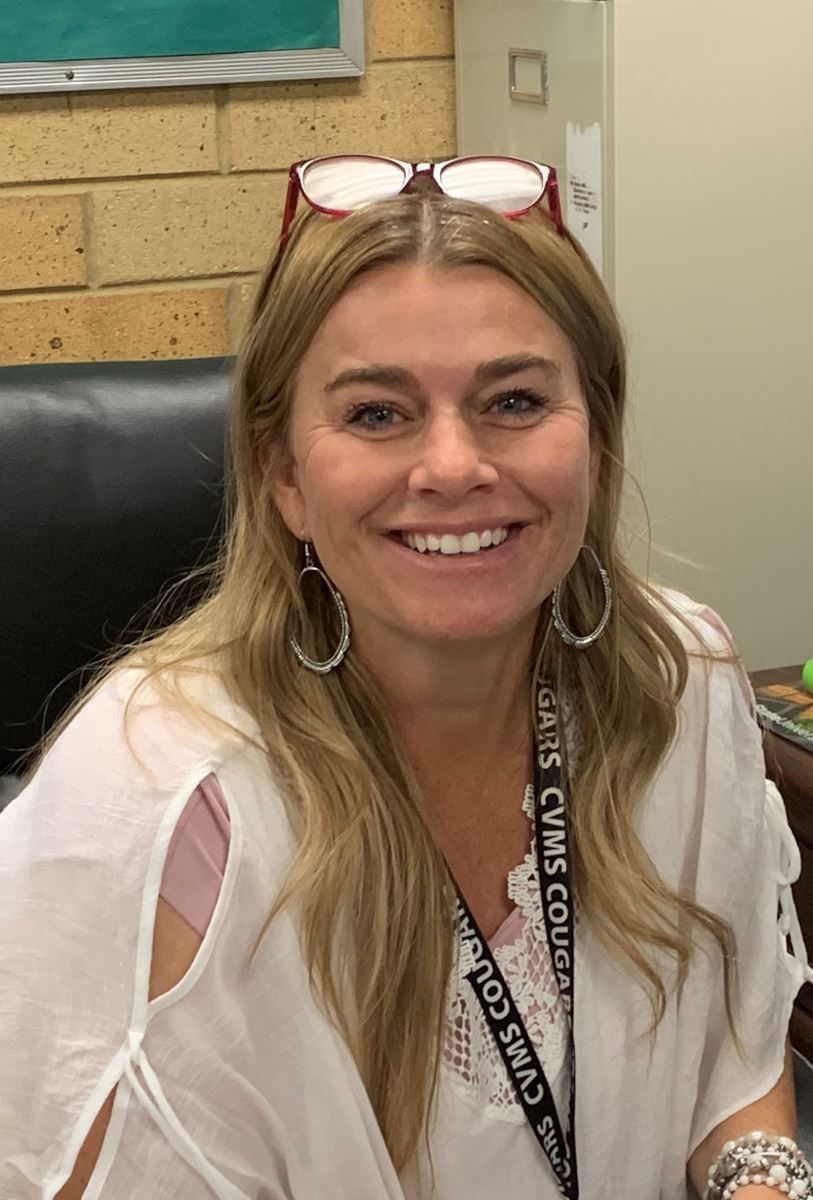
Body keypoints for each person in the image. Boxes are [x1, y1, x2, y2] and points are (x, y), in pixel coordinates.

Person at [0, 154, 810, 1200]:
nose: (453, 466)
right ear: (284, 472)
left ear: (599, 438)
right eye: (378, 414)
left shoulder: (680, 679)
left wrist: (764, 1185)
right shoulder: (157, 808)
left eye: (513, 399)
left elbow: (737, 1072)